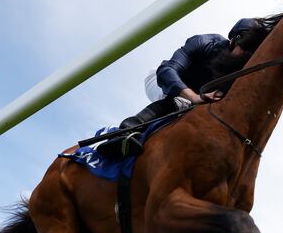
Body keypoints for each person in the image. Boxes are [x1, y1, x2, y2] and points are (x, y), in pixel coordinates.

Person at [100, 17, 274, 157]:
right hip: (161, 79)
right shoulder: (205, 42)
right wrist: (192, 96)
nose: (247, 56)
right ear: (235, 39)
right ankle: (124, 133)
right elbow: (167, 71)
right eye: (247, 49)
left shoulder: (241, 68)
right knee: (181, 103)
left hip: (197, 96)